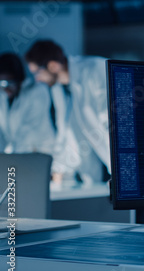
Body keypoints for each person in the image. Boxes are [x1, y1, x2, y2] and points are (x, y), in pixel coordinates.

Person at [25, 40, 110, 183]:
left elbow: (115, 120)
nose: (37, 80)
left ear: (52, 66)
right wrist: (60, 168)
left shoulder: (96, 69)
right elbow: (67, 132)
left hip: (118, 158)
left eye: (37, 72)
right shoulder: (59, 89)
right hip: (95, 170)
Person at [0, 53, 55, 155]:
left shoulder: (37, 92)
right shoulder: (2, 96)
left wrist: (8, 155)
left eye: (10, 83)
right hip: (17, 155)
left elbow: (27, 131)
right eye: (1, 83)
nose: (6, 88)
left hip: (39, 153)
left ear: (19, 79)